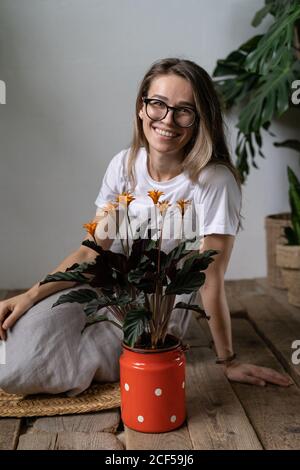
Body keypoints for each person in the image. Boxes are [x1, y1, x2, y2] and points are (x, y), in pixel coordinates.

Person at [0, 58, 291, 396]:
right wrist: (31, 295)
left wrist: (228, 361)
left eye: (184, 110)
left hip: (158, 307)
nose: (168, 120)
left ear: (200, 120)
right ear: (142, 108)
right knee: (13, 354)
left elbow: (210, 278)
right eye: (158, 105)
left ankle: (125, 355)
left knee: (24, 371)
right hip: (105, 288)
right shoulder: (124, 165)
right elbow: (90, 251)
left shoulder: (214, 180)